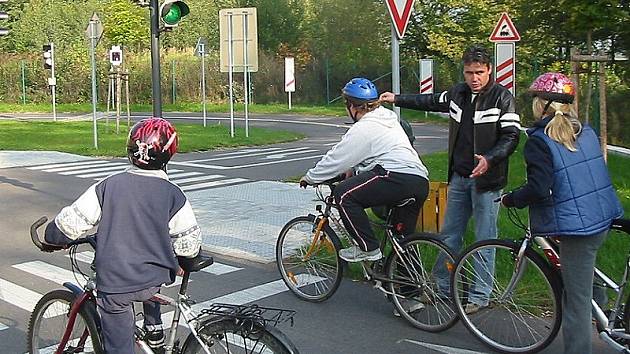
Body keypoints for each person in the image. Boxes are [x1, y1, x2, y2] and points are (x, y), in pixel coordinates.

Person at [380, 45, 521, 313]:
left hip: (487, 182)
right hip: (459, 177)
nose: (474, 78)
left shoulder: (502, 98)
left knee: (484, 239)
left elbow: (512, 137)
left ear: (489, 70)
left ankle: (480, 296)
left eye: (479, 72)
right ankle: (441, 289)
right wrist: (396, 98)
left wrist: (490, 159)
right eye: (469, 72)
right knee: (448, 236)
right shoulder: (458, 93)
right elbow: (431, 100)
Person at [43, 117, 202, 354]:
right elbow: (189, 244)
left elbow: (71, 223)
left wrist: (52, 236)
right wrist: (180, 258)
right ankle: (154, 329)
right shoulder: (173, 194)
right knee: (148, 284)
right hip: (154, 277)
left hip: (117, 283)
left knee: (118, 343)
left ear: (130, 149)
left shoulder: (108, 186)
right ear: (169, 154)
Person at [500, 72, 623, 354]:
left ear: (543, 104)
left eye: (535, 99)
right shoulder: (585, 130)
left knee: (575, 301)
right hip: (601, 217)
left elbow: (540, 189)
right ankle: (604, 313)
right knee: (583, 275)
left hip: (578, 228)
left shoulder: (540, 141)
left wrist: (512, 199)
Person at [300, 77, 430, 262]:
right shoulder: (387, 118)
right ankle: (408, 288)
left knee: (344, 194)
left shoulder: (364, 127)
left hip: (395, 176)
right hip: (418, 181)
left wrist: (311, 177)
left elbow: (336, 158)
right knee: (403, 242)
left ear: (351, 106)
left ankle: (367, 248)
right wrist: (353, 169)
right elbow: (376, 151)